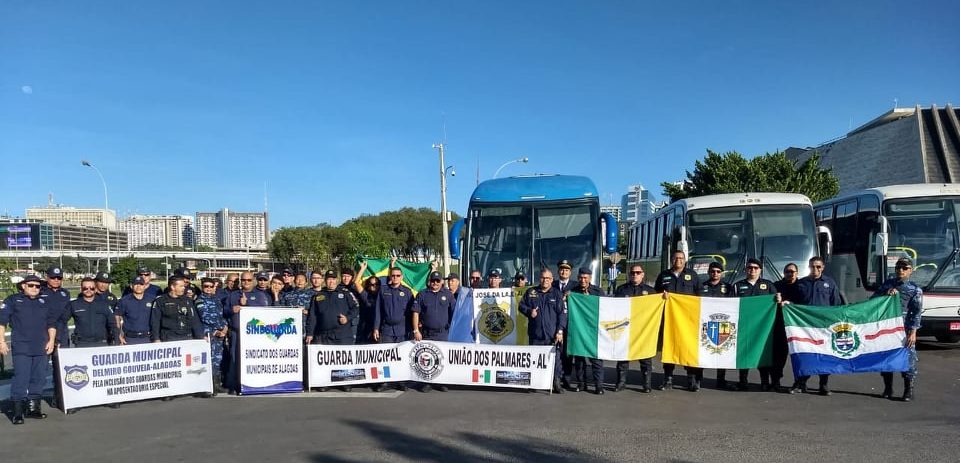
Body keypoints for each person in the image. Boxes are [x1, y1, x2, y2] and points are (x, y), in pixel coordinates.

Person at [0, 275, 58, 424]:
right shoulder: (12, 300)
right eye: (31, 285)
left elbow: (51, 324)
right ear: (23, 286)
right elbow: (2, 322)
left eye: (38, 286)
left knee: (38, 378)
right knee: (21, 378)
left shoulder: (45, 302)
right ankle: (18, 413)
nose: (34, 288)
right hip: (22, 347)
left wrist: (51, 340)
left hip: (41, 346)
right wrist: (1, 341)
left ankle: (33, 409)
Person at [788, 256, 841, 396]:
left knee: (824, 356)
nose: (815, 269)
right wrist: (788, 305)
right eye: (812, 266)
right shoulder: (801, 283)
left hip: (824, 327)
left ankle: (823, 385)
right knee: (804, 355)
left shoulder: (830, 283)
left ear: (823, 268)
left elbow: (836, 305)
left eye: (818, 266)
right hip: (805, 328)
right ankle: (800, 383)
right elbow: (794, 304)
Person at [871, 257, 922, 402]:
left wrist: (913, 332)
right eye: (898, 267)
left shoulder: (915, 290)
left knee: (908, 358)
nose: (901, 270)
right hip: (888, 329)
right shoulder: (887, 285)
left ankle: (908, 389)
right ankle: (888, 388)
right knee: (887, 357)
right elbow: (873, 301)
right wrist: (885, 293)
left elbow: (916, 312)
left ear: (910, 270)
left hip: (904, 330)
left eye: (904, 268)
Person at [151, 276, 208, 399]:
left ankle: (197, 389)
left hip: (186, 336)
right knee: (172, 367)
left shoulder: (187, 301)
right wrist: (156, 338)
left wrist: (200, 337)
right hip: (170, 337)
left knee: (192, 365)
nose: (184, 288)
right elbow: (155, 321)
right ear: (172, 286)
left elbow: (194, 320)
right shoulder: (160, 301)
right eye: (181, 286)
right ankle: (171, 391)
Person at [654, 250, 701, 390]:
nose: (678, 260)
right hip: (669, 319)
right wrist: (661, 295)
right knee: (669, 347)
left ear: (685, 260)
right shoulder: (663, 276)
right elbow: (655, 295)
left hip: (688, 320)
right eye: (675, 258)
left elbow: (700, 295)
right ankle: (668, 379)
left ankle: (691, 380)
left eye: (681, 258)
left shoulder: (692, 275)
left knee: (688, 348)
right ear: (671, 260)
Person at [306, 270, 359, 392]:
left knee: (344, 358)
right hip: (324, 334)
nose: (331, 281)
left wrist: (347, 318)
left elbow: (356, 308)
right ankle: (325, 382)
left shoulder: (345, 293)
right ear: (325, 280)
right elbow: (312, 316)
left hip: (343, 333)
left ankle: (345, 382)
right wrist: (309, 333)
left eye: (333, 279)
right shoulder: (318, 295)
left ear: (337, 280)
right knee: (326, 359)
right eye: (329, 279)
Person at [731, 258, 777, 391]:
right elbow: (729, 304)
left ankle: (764, 381)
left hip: (763, 327)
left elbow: (776, 302)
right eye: (750, 268)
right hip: (743, 326)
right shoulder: (737, 286)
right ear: (746, 270)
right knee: (743, 352)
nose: (752, 270)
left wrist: (779, 300)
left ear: (760, 270)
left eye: (756, 268)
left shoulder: (768, 285)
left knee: (762, 353)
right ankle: (743, 381)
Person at [519, 268, 566, 393]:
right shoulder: (531, 292)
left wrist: (560, 331)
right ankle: (534, 383)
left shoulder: (556, 294)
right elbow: (521, 306)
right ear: (539, 278)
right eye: (543, 278)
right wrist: (529, 311)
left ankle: (556, 383)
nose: (545, 280)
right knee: (534, 360)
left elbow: (562, 314)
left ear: (552, 280)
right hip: (536, 334)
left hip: (552, 335)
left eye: (548, 278)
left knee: (555, 361)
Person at [223, 271, 269, 394]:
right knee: (234, 358)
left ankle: (255, 383)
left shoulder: (260, 295)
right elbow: (225, 311)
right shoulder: (233, 295)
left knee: (253, 359)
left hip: (254, 334)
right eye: (243, 280)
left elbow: (264, 312)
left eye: (249, 280)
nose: (246, 282)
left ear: (253, 281)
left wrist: (246, 304)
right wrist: (232, 309)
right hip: (237, 332)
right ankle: (233, 385)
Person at [613, 265, 656, 392]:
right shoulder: (621, 290)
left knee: (646, 358)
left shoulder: (651, 292)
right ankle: (621, 382)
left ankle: (647, 384)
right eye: (633, 273)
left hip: (644, 329)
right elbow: (615, 308)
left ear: (643, 274)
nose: (635, 275)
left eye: (638, 272)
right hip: (626, 329)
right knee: (623, 357)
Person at [372, 266, 414, 392]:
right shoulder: (383, 290)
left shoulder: (407, 292)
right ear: (390, 277)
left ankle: (401, 381)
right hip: (386, 329)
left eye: (397, 275)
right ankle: (385, 381)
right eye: (393, 275)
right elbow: (377, 311)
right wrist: (375, 328)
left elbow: (412, 312)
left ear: (401, 277)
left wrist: (413, 329)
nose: (395, 277)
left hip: (402, 329)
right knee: (386, 356)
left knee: (401, 356)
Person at [411, 271, 455, 392]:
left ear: (441, 282)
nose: (435, 283)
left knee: (442, 358)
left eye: (437, 281)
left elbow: (454, 313)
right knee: (427, 357)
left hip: (443, 333)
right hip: (426, 333)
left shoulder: (448, 294)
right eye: (433, 280)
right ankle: (427, 382)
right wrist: (416, 330)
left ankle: (441, 382)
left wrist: (452, 329)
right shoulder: (422, 294)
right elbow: (416, 312)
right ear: (429, 281)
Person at [565, 267, 605, 394]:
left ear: (590, 278)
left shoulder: (598, 291)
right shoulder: (572, 292)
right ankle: (582, 384)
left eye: (585, 278)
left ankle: (599, 386)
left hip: (594, 331)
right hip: (578, 329)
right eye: (581, 278)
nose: (583, 280)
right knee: (579, 360)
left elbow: (605, 307)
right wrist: (567, 297)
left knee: (596, 360)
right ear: (578, 278)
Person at [700, 261, 734, 390]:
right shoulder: (701, 286)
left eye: (718, 271)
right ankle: (698, 378)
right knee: (703, 349)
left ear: (722, 273)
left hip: (723, 323)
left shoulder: (728, 287)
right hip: (705, 323)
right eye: (713, 271)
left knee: (722, 350)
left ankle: (721, 379)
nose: (715, 273)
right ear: (709, 272)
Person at [772, 263, 801, 392]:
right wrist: (776, 300)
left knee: (799, 354)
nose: (790, 273)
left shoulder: (802, 286)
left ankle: (799, 382)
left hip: (798, 326)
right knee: (779, 355)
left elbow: (806, 302)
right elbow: (768, 301)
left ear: (797, 273)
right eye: (787, 271)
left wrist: (792, 304)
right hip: (780, 325)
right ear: (784, 273)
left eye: (793, 271)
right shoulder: (776, 285)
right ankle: (776, 380)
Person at [197, 278, 228, 396]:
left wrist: (225, 327)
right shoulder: (200, 300)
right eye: (206, 286)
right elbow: (205, 317)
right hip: (209, 334)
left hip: (219, 334)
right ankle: (208, 387)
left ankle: (217, 384)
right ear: (202, 287)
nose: (208, 288)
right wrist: (220, 327)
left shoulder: (216, 299)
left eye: (211, 286)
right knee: (209, 361)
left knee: (217, 360)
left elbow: (221, 315)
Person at [116, 276, 155, 346]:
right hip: (130, 339)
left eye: (141, 284)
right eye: (136, 284)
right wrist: (119, 334)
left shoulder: (152, 300)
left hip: (148, 338)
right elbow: (117, 316)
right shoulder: (124, 301)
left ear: (145, 286)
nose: (138, 286)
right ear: (131, 286)